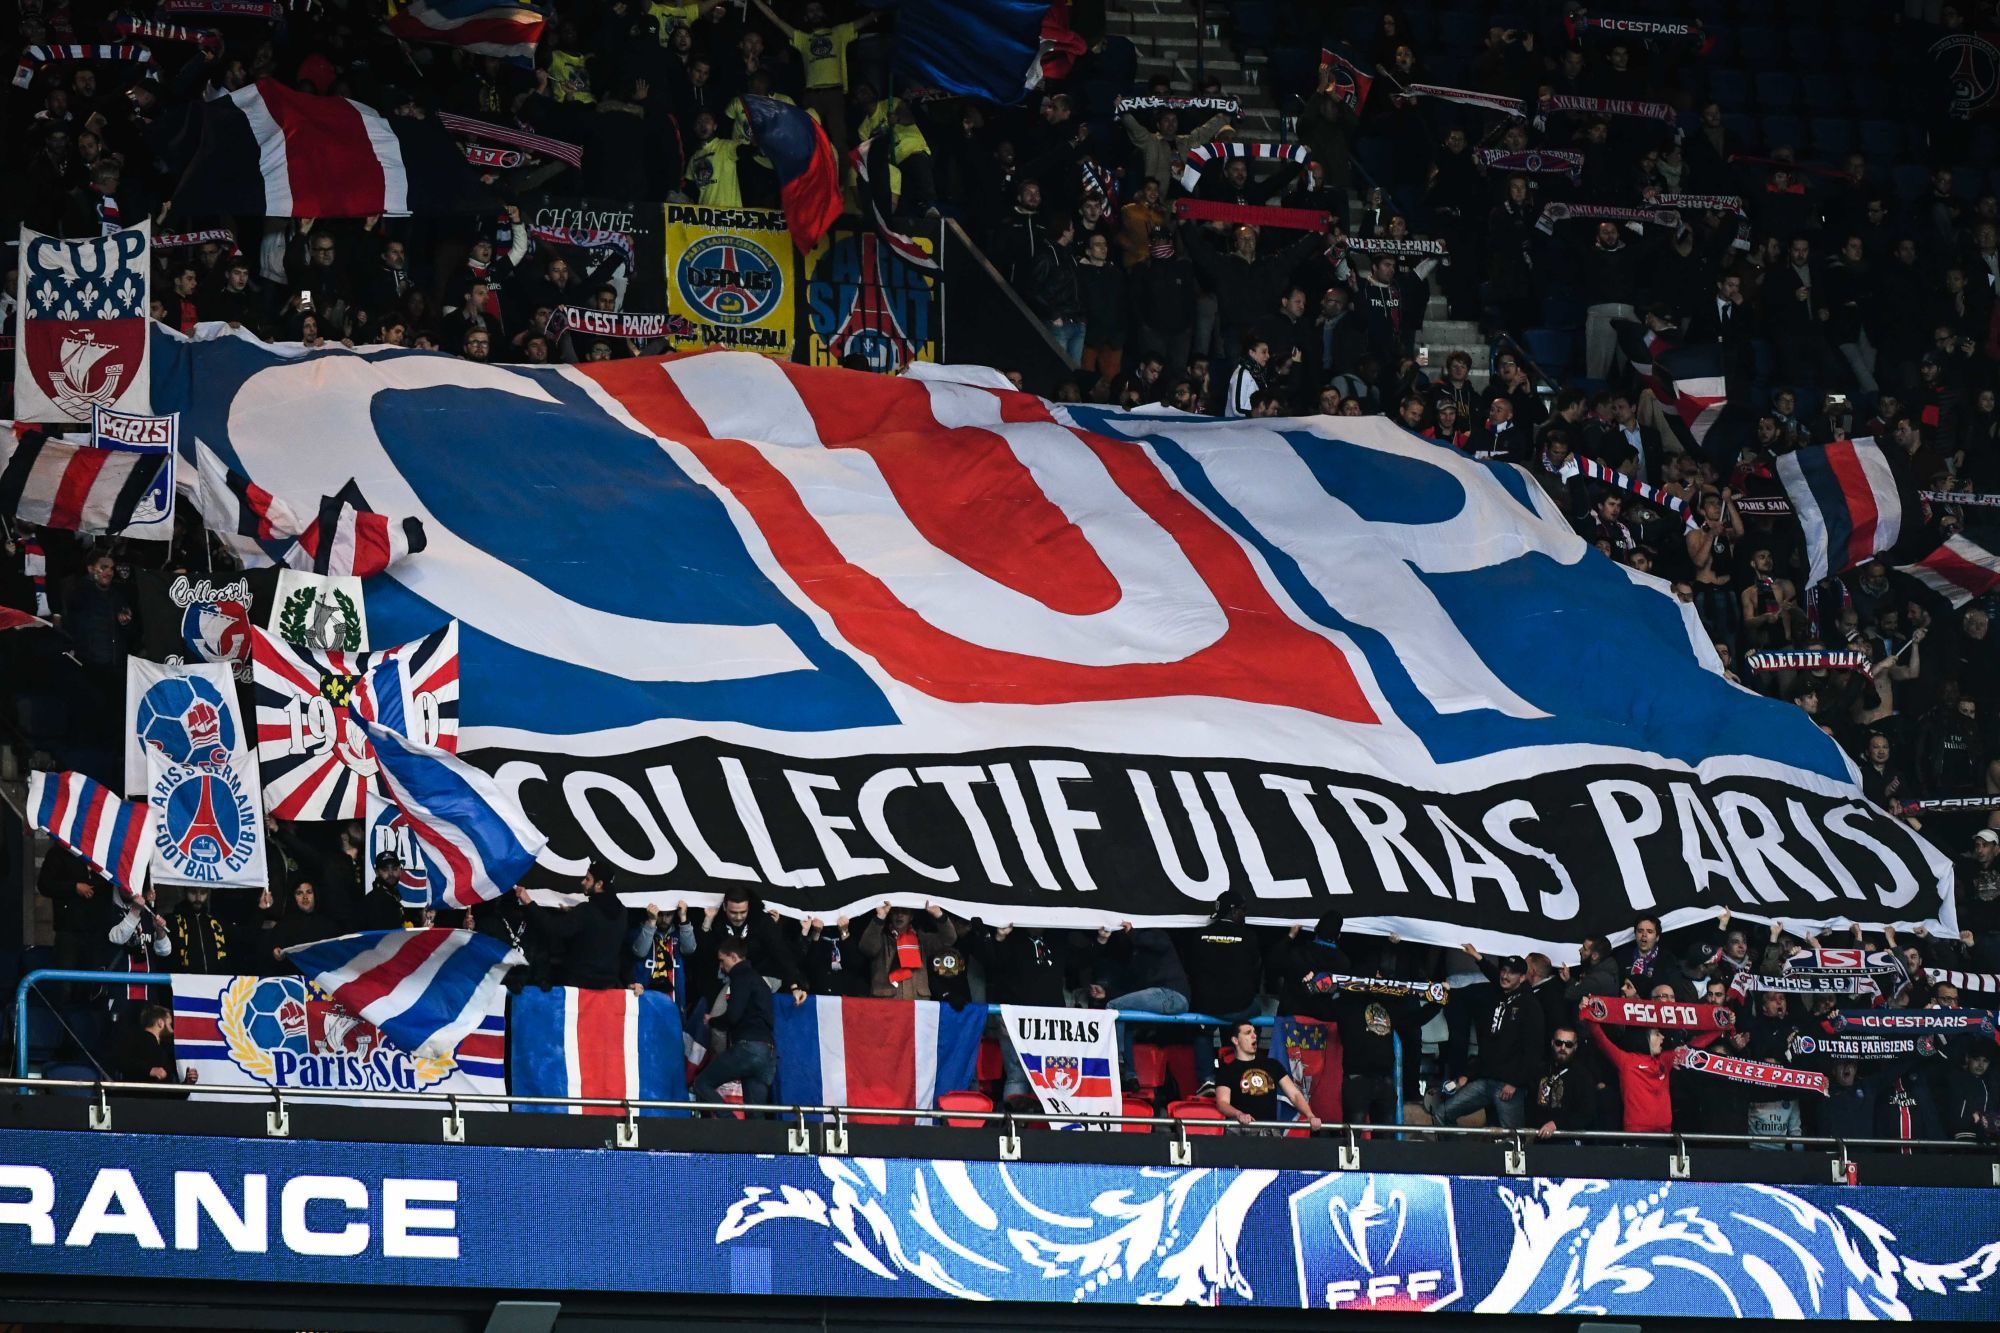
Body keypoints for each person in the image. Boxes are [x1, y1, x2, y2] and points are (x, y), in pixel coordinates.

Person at [1432, 952, 1544, 1130]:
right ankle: (1454, 1157)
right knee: (1442, 1114)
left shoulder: (1530, 1004)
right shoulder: (1498, 995)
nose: (1505, 975)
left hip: (1508, 1087)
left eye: (1512, 973)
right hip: (1485, 1080)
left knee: (1512, 1140)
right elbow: (1490, 1046)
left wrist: (1516, 1082)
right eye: (1504, 970)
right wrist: (1468, 1075)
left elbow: (1534, 1049)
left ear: (1522, 978)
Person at [1089, 922, 1191, 1091]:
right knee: (1125, 1019)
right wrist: (1106, 993)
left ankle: (1117, 1064)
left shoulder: (1159, 935)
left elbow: (1154, 942)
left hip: (1172, 995)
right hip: (1166, 997)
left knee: (1114, 1008)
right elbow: (1133, 993)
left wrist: (1132, 932)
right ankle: (1130, 1076)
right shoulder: (1137, 958)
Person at [694, 939, 782, 1114]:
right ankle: (755, 1140)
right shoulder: (760, 981)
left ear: (733, 957)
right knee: (755, 1114)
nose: (720, 966)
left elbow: (733, 1017)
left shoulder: (740, 977)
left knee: (701, 1084)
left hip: (748, 1048)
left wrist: (712, 1021)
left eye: (722, 960)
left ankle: (730, 1124)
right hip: (768, 1053)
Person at [1214, 1022, 1320, 1132]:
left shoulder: (1272, 1065)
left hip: (1269, 1133)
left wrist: (1310, 1115)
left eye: (1254, 1032)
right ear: (1235, 1040)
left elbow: (1294, 1094)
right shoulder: (1226, 1070)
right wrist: (1238, 1114)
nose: (1254, 1035)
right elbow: (1222, 1103)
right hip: (1241, 1132)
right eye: (1248, 1033)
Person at [856, 901, 958, 1000]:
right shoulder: (880, 938)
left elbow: (949, 939)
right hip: (886, 1005)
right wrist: (879, 918)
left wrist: (939, 915)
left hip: (917, 1005)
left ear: (911, 917)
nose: (899, 915)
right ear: (890, 915)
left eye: (904, 911)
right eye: (895, 911)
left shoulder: (921, 940)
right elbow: (867, 947)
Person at [1531, 1024, 1597, 1137]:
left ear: (1575, 1046)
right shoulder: (1540, 1070)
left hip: (1568, 1140)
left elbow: (1587, 1114)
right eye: (1558, 1043)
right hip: (1539, 1137)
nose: (1563, 1048)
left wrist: (1556, 1124)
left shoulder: (1583, 1076)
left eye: (1568, 1044)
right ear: (1552, 1043)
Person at [114, 1005, 195, 1087]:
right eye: (170, 1023)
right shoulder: (139, 1039)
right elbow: (123, 1062)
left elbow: (168, 1092)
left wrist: (188, 1083)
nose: (173, 1027)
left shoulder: (161, 1049)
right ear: (160, 1022)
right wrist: (150, 1071)